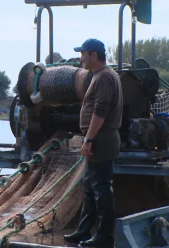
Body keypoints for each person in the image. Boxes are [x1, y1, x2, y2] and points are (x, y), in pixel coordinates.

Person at [63, 38, 123, 247]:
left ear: (94, 56)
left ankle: (104, 235)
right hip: (98, 139)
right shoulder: (99, 75)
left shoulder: (105, 77)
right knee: (89, 186)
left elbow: (101, 110)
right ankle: (84, 230)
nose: (81, 58)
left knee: (101, 188)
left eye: (83, 54)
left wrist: (88, 139)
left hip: (102, 139)